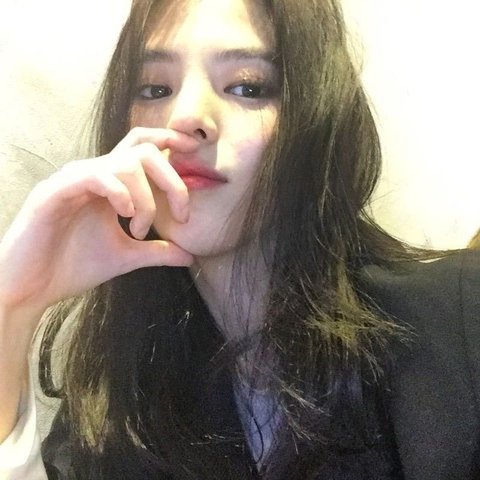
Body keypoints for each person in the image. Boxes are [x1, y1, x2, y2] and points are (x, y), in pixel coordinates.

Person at [0, 0, 479, 479]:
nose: (185, 115)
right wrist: (12, 308)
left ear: (317, 119)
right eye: (155, 89)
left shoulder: (458, 320)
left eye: (248, 87)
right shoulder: (114, 404)